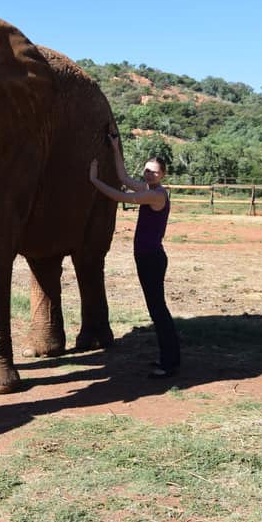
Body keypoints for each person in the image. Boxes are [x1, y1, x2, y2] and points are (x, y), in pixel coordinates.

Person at [89, 132, 180, 378]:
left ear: (163, 175)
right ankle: (169, 357)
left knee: (158, 310)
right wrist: (115, 148)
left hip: (152, 258)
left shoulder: (156, 194)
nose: (149, 174)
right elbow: (123, 178)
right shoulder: (149, 188)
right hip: (147, 257)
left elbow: (122, 196)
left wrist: (94, 180)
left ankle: (169, 363)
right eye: (147, 170)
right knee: (157, 309)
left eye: (154, 172)